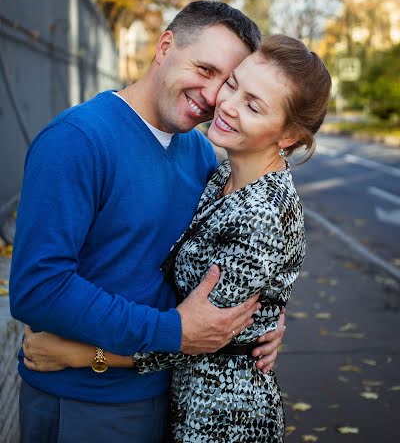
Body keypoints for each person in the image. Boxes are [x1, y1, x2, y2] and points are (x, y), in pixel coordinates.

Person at [21, 35, 332, 442]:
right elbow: (39, 288)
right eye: (227, 81)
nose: (223, 101)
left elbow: (203, 332)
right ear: (165, 46)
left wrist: (83, 355)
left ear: (289, 135)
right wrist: (264, 314)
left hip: (216, 419)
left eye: (252, 104)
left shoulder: (220, 173)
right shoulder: (215, 170)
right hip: (101, 402)